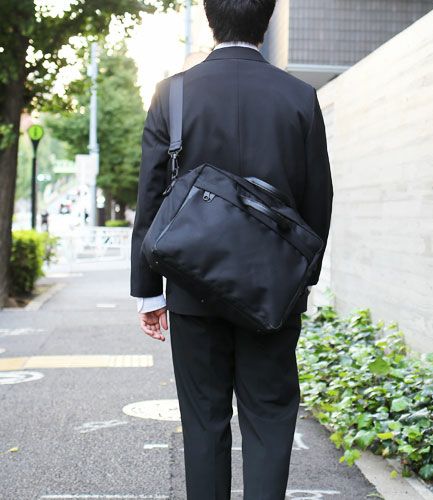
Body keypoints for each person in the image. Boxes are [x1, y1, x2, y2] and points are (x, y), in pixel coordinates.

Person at [130, 1, 333, 498]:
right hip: (271, 295)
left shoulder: (172, 94)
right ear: (266, 20)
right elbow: (319, 199)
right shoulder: (300, 97)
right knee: (269, 419)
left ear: (209, 18)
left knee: (203, 423)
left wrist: (149, 291)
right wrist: (299, 282)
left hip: (191, 287)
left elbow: (151, 196)